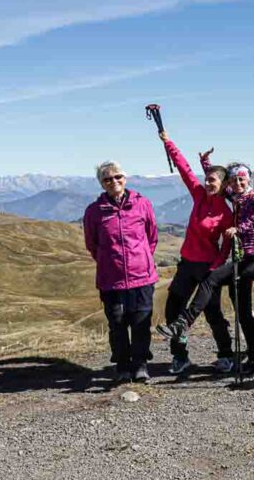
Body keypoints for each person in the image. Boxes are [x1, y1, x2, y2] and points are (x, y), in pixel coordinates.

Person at [158, 159, 254, 376]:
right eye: (234, 179)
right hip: (239, 260)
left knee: (212, 282)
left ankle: (186, 324)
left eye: (242, 179)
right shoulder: (234, 196)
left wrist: (239, 228)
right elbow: (216, 183)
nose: (238, 182)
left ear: (249, 179)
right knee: (244, 313)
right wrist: (206, 163)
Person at [155, 132, 236, 375]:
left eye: (212, 180)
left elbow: (226, 246)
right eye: (207, 178)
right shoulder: (198, 195)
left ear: (223, 185)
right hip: (187, 263)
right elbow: (184, 169)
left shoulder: (225, 212)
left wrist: (215, 268)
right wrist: (168, 142)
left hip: (207, 268)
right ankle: (180, 356)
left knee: (212, 313)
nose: (207, 183)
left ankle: (225, 355)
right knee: (173, 309)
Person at [83, 161, 159, 384]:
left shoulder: (142, 204)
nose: (114, 182)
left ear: (125, 178)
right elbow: (92, 243)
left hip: (142, 276)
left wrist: (141, 257)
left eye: (118, 177)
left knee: (141, 322)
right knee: (117, 323)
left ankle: (141, 365)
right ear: (102, 184)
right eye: (108, 179)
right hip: (111, 279)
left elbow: (152, 237)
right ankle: (123, 366)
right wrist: (110, 262)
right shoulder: (94, 211)